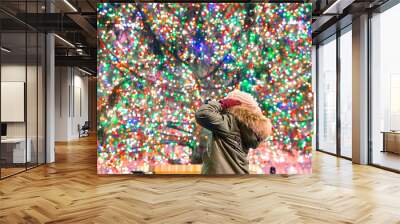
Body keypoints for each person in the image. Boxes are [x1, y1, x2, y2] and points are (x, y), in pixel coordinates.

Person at [195, 90, 272, 175]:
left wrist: (221, 103)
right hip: (239, 178)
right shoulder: (248, 128)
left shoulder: (230, 122)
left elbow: (202, 114)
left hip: (218, 180)